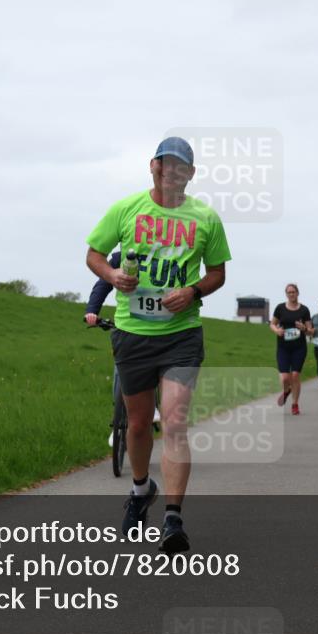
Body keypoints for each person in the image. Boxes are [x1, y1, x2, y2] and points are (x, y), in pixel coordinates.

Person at [85, 136, 231, 554]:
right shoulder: (126, 209)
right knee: (135, 424)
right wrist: (112, 278)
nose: (173, 172)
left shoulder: (205, 218)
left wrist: (194, 291)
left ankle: (172, 518)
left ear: (191, 173)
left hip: (181, 336)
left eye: (181, 167)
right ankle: (139, 489)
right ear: (153, 167)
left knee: (174, 422)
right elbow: (94, 253)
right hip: (133, 334)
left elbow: (218, 272)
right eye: (166, 165)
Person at [83, 251, 161, 443]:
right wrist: (92, 311)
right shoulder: (120, 258)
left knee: (157, 364)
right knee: (120, 366)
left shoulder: (165, 255)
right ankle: (118, 421)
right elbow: (103, 284)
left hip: (160, 321)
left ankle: (155, 406)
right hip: (128, 324)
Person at [271, 284, 314, 415]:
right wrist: (277, 330)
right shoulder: (280, 308)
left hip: (299, 348)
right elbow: (272, 324)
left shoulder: (304, 310)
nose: (291, 294)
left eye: (293, 292)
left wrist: (304, 329)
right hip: (283, 347)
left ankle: (295, 404)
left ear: (297, 293)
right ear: (286, 294)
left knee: (295, 375)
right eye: (289, 292)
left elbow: (311, 331)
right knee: (284, 378)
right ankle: (287, 390)